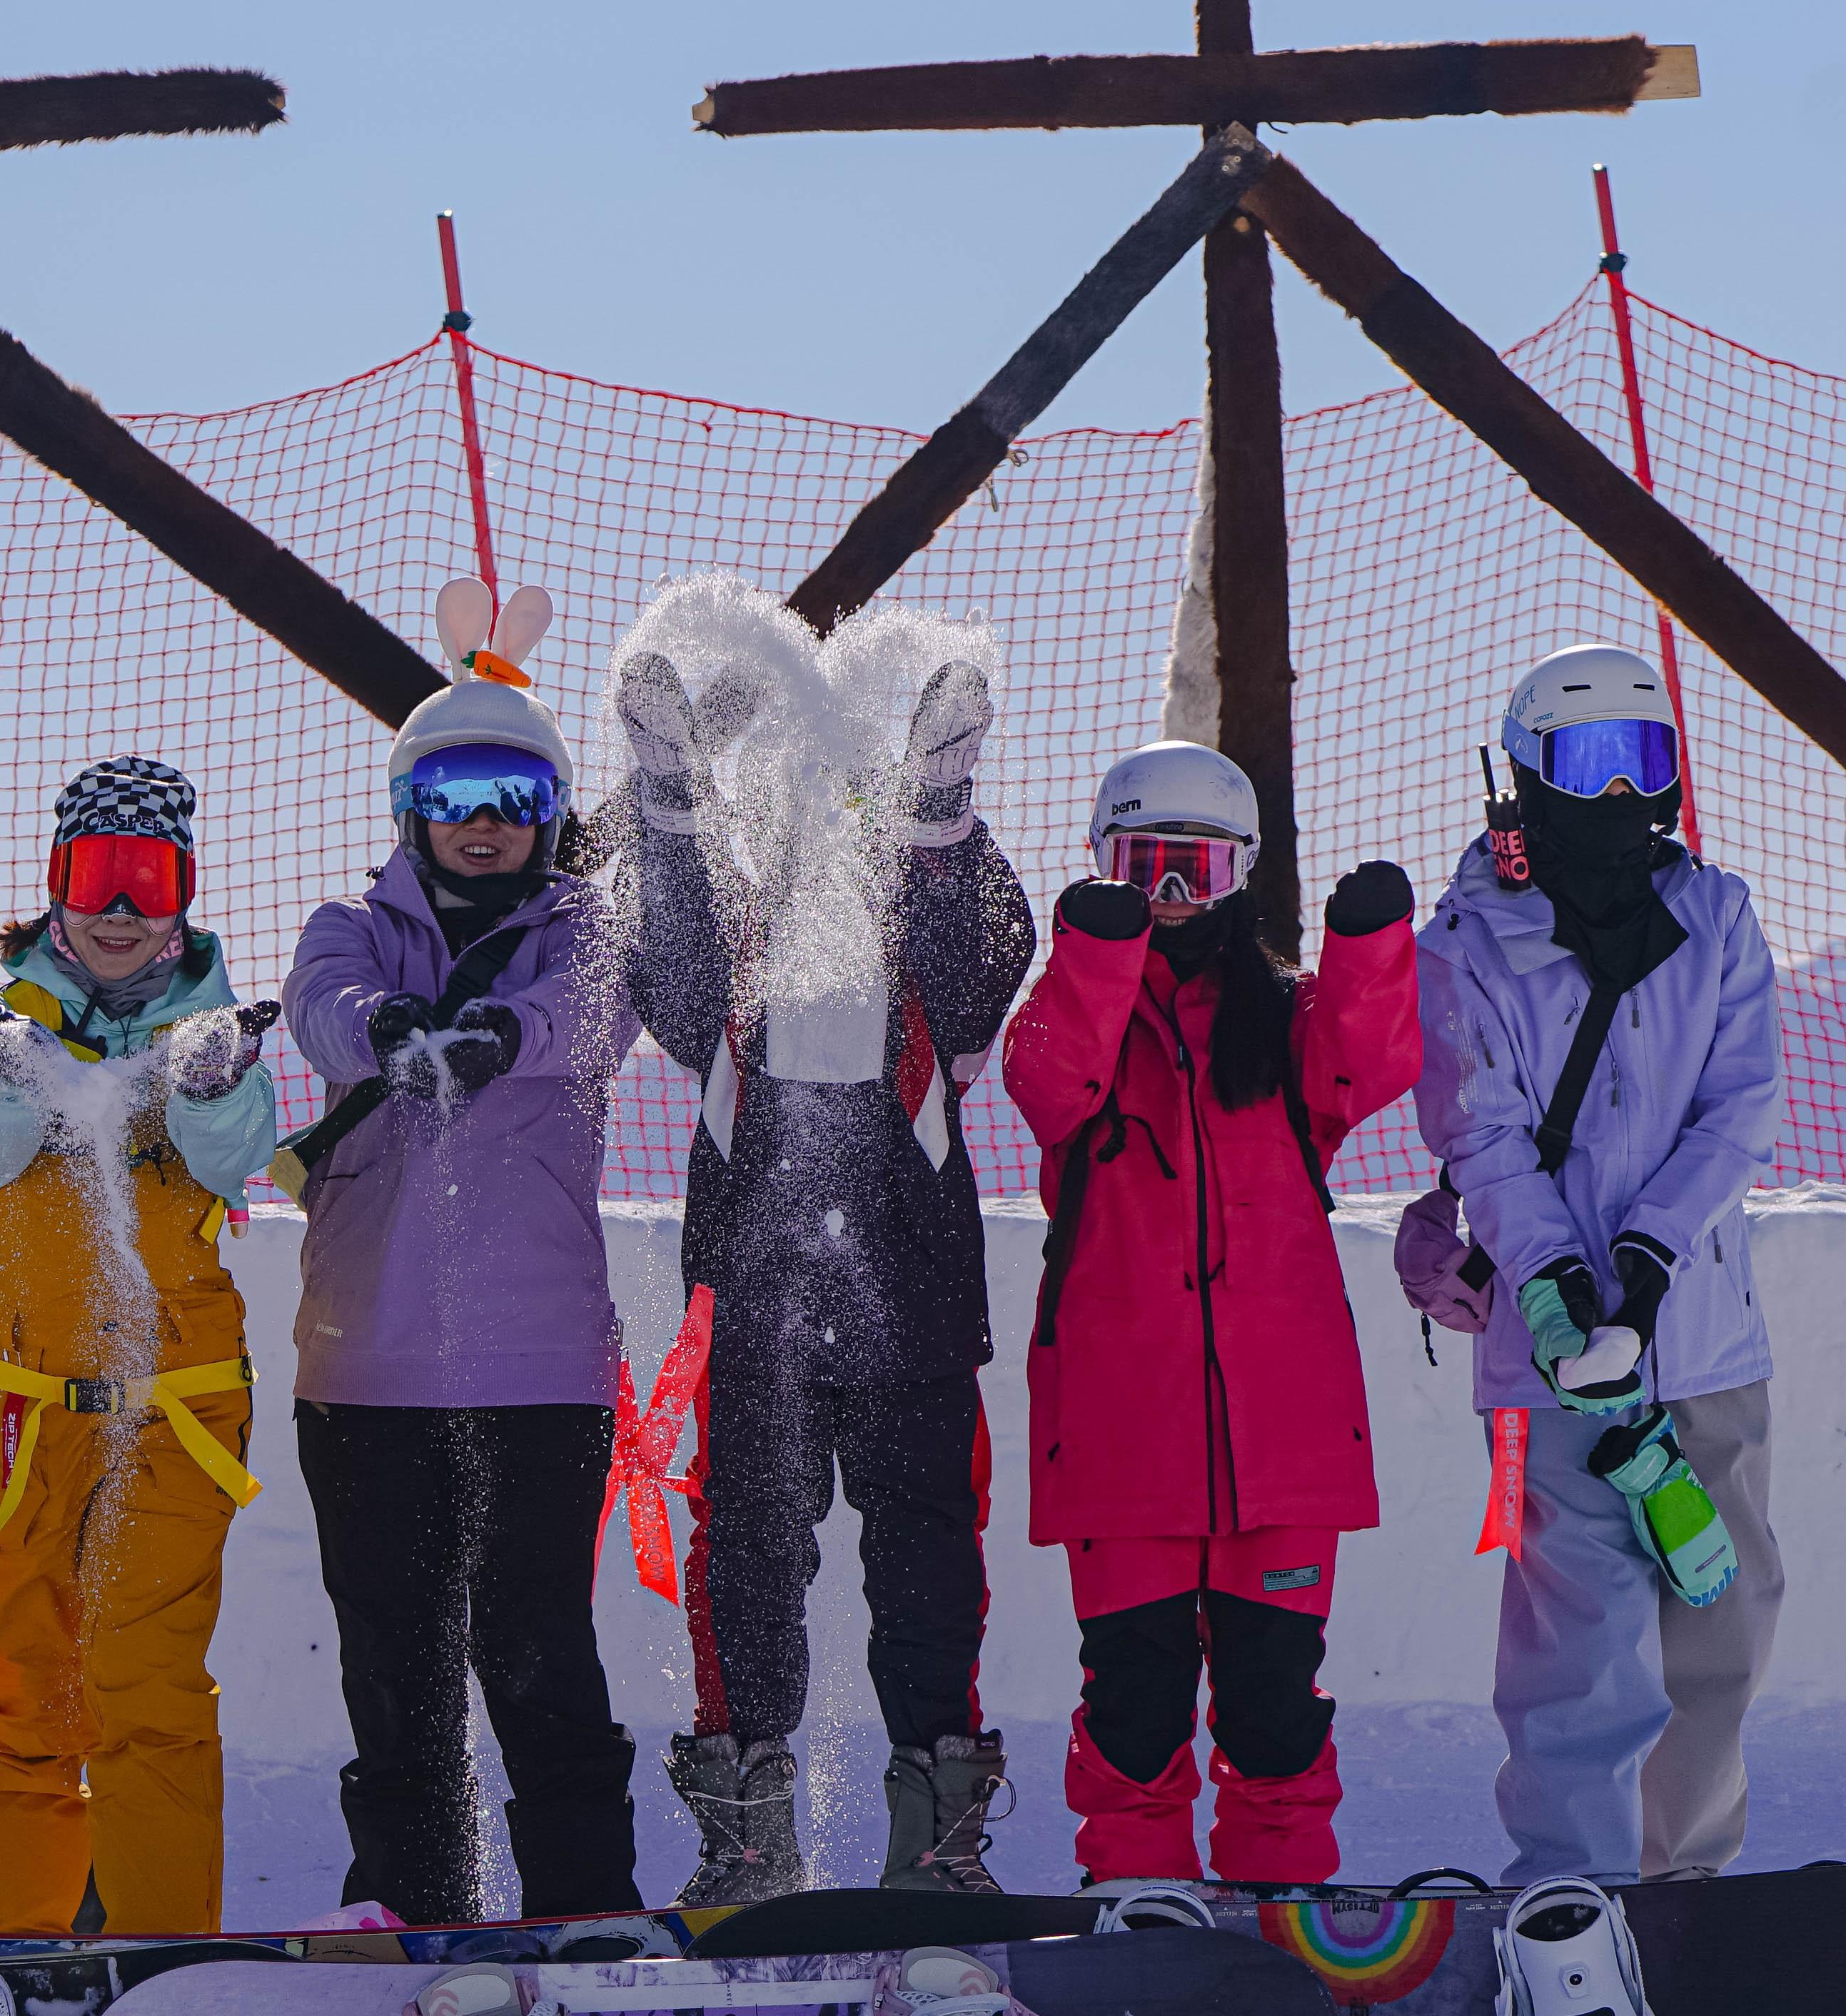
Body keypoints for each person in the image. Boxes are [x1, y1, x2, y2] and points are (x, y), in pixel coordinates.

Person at [612, 595, 1039, 1899]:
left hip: (913, 1310)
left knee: (930, 1577)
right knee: (745, 1572)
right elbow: (672, 985)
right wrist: (670, 797)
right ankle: (747, 1842)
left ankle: (938, 1843)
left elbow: (980, 980)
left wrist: (944, 813)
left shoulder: (947, 889)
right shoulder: (736, 918)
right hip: (750, 1317)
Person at [282, 585, 646, 1925]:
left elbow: (594, 1011)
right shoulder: (351, 930)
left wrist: (500, 1035)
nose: (482, 821)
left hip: (537, 1371)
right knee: (395, 1664)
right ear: (408, 810)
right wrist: (384, 1030)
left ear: (548, 811)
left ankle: (584, 1917)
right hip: (367, 1375)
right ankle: (411, 1911)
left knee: (540, 1649)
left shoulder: (586, 929)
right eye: (452, 793)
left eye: (510, 792)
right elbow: (321, 1009)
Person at [1001, 740, 1419, 1888]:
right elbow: (1046, 1088)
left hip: (1277, 1445)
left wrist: (1373, 946)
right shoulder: (1072, 1020)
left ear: (1242, 877)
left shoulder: (1284, 1023)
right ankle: (1139, 1901)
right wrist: (1098, 954)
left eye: (1198, 871)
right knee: (1134, 1707)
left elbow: (1371, 1064)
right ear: (1099, 874)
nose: (1175, 899)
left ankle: (1279, 1904)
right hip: (1124, 1437)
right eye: (1146, 871)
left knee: (1274, 1704)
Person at [1418, 642, 1787, 1882]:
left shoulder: (1714, 918)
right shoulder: (1468, 944)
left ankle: (1682, 1896)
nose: (1624, 799)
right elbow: (1483, 1132)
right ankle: (1572, 1906)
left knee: (1720, 1631)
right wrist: (1562, 1292)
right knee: (1579, 1656)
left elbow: (1736, 1111)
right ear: (1526, 779)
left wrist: (1645, 1260)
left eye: (1645, 760)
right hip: (1547, 1366)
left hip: (1702, 1344)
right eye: (1590, 765)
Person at [0, 757, 278, 1935]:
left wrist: (218, 1087)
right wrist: (2, 1076)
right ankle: (18, 1949)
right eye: (96, 877)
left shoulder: (214, 1033)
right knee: (28, 1689)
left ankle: (165, 1957)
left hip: (172, 1415)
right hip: (22, 1415)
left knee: (146, 1687)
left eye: (147, 880)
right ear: (54, 887)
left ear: (184, 893)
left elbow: (232, 1162)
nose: (120, 910)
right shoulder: (6, 1024)